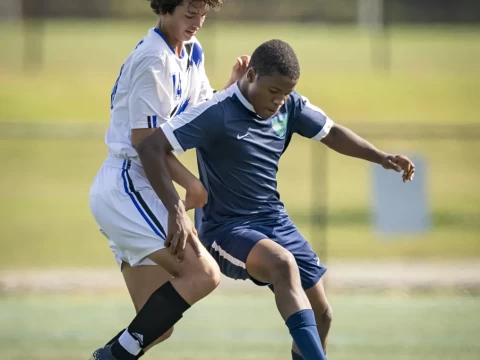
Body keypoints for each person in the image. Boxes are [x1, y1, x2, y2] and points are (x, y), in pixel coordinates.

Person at [136, 39, 416, 360]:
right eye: (274, 92)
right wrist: (175, 211)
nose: (280, 101)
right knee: (282, 264)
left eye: (286, 93)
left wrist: (381, 158)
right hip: (226, 230)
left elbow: (333, 133)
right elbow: (151, 147)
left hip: (274, 221)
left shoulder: (290, 105)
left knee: (322, 314)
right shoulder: (217, 111)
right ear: (251, 75)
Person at [88, 0, 249, 359]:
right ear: (165, 9)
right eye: (190, 13)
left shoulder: (190, 51)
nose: (199, 22)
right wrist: (181, 200)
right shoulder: (154, 59)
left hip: (139, 184)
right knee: (204, 274)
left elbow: (199, 117)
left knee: (156, 326)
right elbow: (144, 143)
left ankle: (109, 356)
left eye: (203, 13)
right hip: (128, 184)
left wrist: (232, 89)